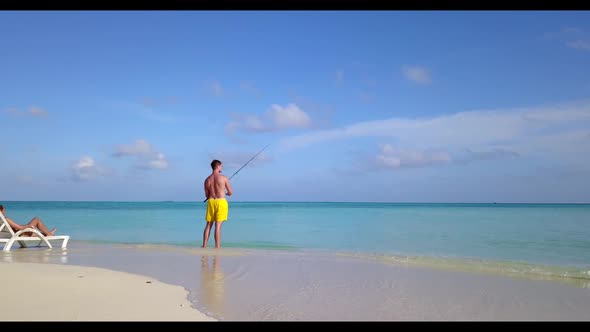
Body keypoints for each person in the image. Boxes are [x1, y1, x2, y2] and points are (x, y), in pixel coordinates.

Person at [202, 159, 233, 248]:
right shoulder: (224, 178)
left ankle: (204, 246)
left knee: (208, 224)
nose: (221, 167)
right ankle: (217, 247)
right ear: (218, 166)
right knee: (218, 226)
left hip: (211, 202)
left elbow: (207, 194)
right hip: (221, 201)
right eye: (221, 166)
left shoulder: (207, 180)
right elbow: (230, 192)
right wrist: (226, 193)